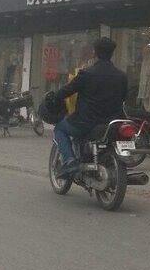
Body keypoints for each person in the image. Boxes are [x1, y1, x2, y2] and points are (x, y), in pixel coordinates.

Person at [52, 37, 128, 177]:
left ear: (94, 53)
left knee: (59, 128)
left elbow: (67, 91)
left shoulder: (86, 73)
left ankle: (69, 161)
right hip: (112, 122)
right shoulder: (122, 76)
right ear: (112, 53)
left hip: (86, 123)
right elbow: (123, 98)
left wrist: (54, 97)